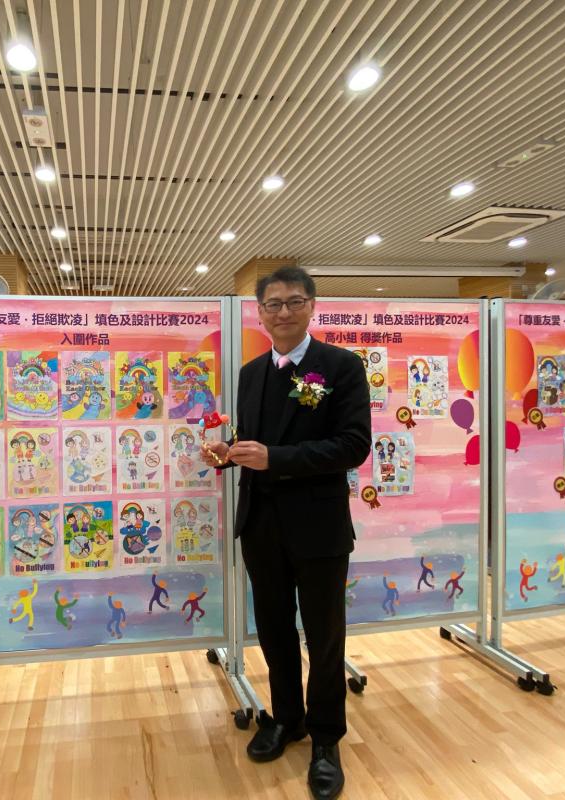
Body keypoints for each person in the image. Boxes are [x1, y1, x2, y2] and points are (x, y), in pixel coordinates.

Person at [204, 266, 371, 800]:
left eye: (294, 301)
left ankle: (326, 738)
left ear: (312, 306)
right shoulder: (251, 373)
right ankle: (286, 718)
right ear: (259, 312)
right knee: (274, 632)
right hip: (261, 526)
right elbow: (253, 440)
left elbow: (353, 446)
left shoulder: (341, 366)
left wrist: (275, 458)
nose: (283, 312)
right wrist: (229, 453)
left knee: (324, 637)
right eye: (272, 304)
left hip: (319, 528)